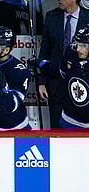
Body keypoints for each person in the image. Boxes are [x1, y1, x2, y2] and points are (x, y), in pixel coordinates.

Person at [38, 0, 89, 129]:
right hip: (56, 83)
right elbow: (45, 50)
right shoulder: (51, 17)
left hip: (82, 82)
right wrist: (41, 81)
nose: (59, 0)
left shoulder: (88, 17)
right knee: (57, 128)